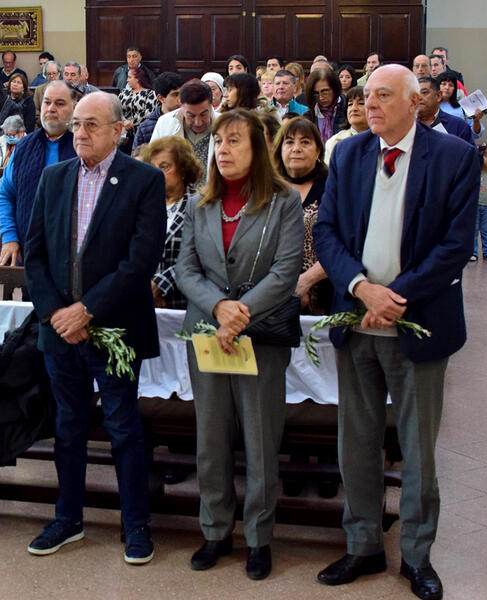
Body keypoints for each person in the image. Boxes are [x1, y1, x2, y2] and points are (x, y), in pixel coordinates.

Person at [313, 65, 478, 600]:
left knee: (418, 450)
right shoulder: (350, 154)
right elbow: (328, 230)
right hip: (357, 321)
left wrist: (394, 297)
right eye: (367, 96)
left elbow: (454, 246)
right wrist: (362, 288)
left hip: (419, 325)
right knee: (355, 446)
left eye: (384, 95)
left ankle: (417, 556)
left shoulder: (454, 156)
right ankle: (361, 546)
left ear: (415, 101)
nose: (371, 104)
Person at [23, 91, 164, 565]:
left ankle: (136, 525)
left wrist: (87, 310)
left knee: (123, 426)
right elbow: (36, 252)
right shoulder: (53, 176)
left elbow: (139, 261)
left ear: (119, 130)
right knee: (68, 425)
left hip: (116, 328)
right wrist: (57, 313)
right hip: (60, 330)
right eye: (77, 124)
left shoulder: (144, 180)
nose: (79, 133)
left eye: (91, 126)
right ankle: (68, 518)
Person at [175, 108, 303, 579]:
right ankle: (214, 531)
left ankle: (259, 538)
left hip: (260, 336)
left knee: (260, 439)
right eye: (219, 142)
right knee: (211, 439)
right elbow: (186, 270)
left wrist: (240, 311)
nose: (223, 151)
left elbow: (286, 271)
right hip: (208, 333)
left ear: (258, 150)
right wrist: (218, 309)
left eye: (234, 142)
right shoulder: (199, 203)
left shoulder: (283, 203)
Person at [0, 80, 77, 267]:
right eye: (47, 102)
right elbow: (5, 194)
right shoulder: (24, 146)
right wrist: (9, 237)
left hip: (72, 254)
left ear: (74, 107)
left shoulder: (81, 147)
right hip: (30, 248)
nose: (51, 108)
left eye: (60, 103)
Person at [272, 116, 332, 315]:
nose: (296, 148)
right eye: (289, 142)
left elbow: (342, 244)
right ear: (280, 150)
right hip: (271, 297)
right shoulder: (266, 190)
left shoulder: (332, 189)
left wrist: (306, 281)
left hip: (321, 296)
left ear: (318, 151)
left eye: (305, 142)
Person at [142, 135, 204, 309]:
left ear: (183, 169)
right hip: (144, 303)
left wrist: (160, 284)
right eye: (152, 168)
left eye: (164, 167)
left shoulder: (200, 206)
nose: (156, 173)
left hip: (184, 304)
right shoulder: (142, 207)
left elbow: (202, 257)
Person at [150, 79, 218, 177]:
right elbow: (153, 163)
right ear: (181, 105)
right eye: (191, 116)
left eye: (203, 115)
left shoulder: (224, 124)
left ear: (211, 105)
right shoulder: (165, 123)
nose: (198, 123)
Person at [416, 76, 474, 145]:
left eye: (424, 92)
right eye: (415, 93)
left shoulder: (458, 126)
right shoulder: (405, 125)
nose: (419, 97)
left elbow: (470, 154)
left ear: (438, 96)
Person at [134, 72, 183, 148]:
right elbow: (136, 157)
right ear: (161, 98)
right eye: (175, 95)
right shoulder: (145, 127)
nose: (180, 99)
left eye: (182, 94)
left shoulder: (188, 120)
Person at [324, 86, 368, 163]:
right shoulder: (334, 142)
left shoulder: (383, 139)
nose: (354, 108)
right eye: (350, 104)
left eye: (361, 103)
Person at [119, 67, 158, 153]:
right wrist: (124, 121)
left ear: (137, 79)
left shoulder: (150, 93)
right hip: (123, 133)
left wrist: (132, 122)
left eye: (129, 77)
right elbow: (117, 108)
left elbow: (149, 112)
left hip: (141, 132)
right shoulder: (124, 92)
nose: (127, 80)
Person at [304, 68, 347, 143]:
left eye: (325, 92)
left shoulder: (347, 111)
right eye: (316, 93)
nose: (321, 97)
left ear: (335, 89)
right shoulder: (308, 117)